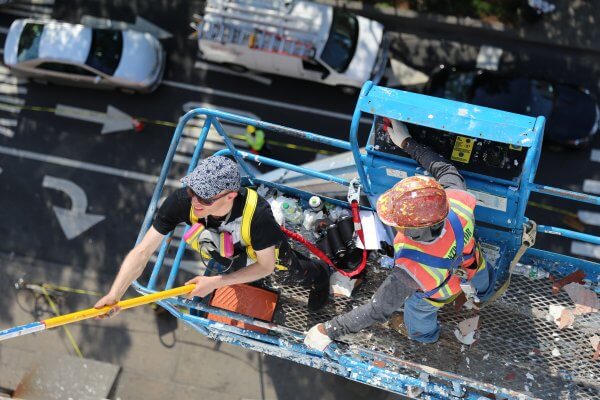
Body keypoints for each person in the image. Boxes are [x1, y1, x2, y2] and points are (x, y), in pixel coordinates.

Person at [304, 118, 494, 350]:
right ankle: (485, 292)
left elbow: (378, 309)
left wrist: (329, 330)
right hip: (470, 261)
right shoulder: (458, 201)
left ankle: (426, 337)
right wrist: (406, 142)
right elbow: (445, 169)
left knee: (418, 311)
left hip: (441, 289)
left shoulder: (410, 269)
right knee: (480, 270)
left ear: (416, 230)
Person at [95, 155, 330, 318]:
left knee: (292, 274)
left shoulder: (257, 215)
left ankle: (319, 275)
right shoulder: (182, 202)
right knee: (242, 274)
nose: (195, 202)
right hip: (228, 250)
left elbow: (266, 266)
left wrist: (216, 282)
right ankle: (243, 275)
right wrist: (115, 294)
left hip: (265, 253)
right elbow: (143, 251)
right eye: (192, 192)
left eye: (206, 198)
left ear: (230, 196)